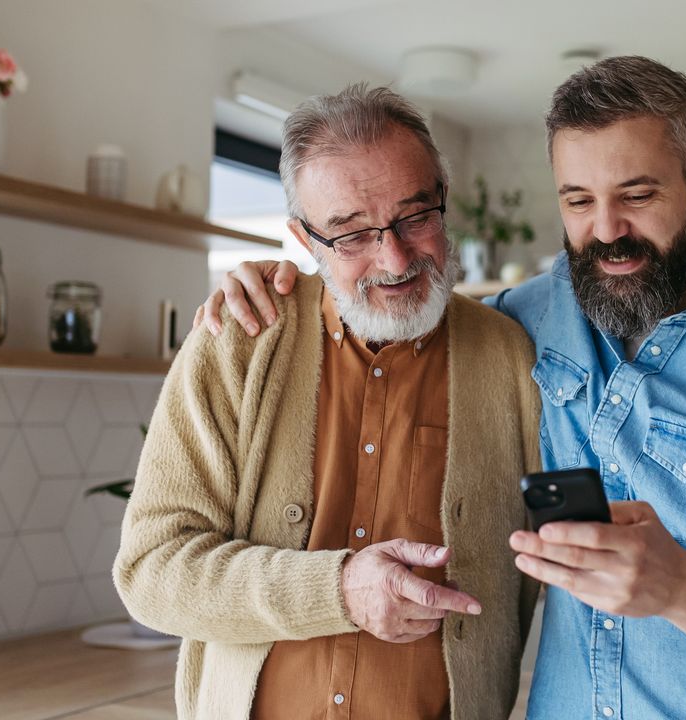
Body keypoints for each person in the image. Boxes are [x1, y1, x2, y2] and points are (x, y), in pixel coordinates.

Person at [198, 56, 686, 720]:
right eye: (578, 200)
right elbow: (389, 294)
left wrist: (682, 585)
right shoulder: (522, 324)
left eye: (638, 195)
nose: (607, 231)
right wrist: (279, 282)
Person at [115, 84, 541, 720]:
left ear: (443, 202)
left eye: (415, 217)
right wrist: (338, 590)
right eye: (350, 234)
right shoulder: (236, 343)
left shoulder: (511, 357)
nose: (393, 256)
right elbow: (152, 572)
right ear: (303, 238)